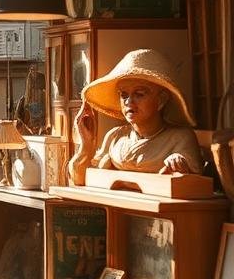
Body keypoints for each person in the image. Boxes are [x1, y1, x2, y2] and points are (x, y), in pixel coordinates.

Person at [69, 49, 202, 184]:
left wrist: (179, 165)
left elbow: (195, 184)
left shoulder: (180, 138)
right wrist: (86, 145)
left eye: (139, 94)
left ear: (161, 100)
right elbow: (81, 179)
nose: (129, 102)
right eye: (124, 95)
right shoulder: (115, 137)